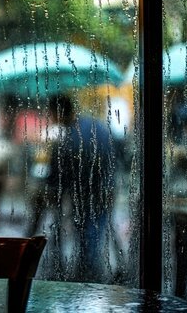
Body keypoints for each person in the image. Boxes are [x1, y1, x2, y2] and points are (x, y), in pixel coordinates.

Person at [26, 94, 115, 282]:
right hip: (106, 188)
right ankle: (92, 275)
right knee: (96, 232)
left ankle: (88, 278)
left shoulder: (69, 140)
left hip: (86, 193)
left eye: (50, 114)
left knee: (87, 235)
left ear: (56, 113)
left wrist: (48, 188)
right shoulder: (97, 126)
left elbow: (59, 176)